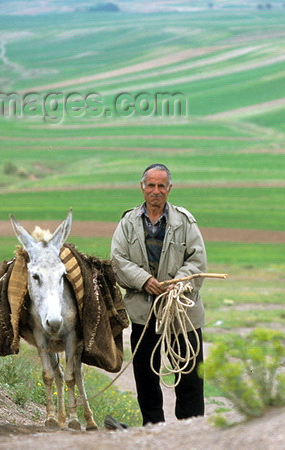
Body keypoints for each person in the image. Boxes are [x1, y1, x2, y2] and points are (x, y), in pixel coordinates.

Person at [110, 163, 207, 425]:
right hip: (144, 311)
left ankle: (192, 427)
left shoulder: (185, 222)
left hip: (182, 310)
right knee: (145, 372)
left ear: (169, 189)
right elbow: (117, 260)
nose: (156, 191)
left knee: (188, 370)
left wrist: (178, 283)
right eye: (150, 185)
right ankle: (153, 427)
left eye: (161, 185)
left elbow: (197, 260)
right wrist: (144, 280)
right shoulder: (128, 222)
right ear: (142, 188)